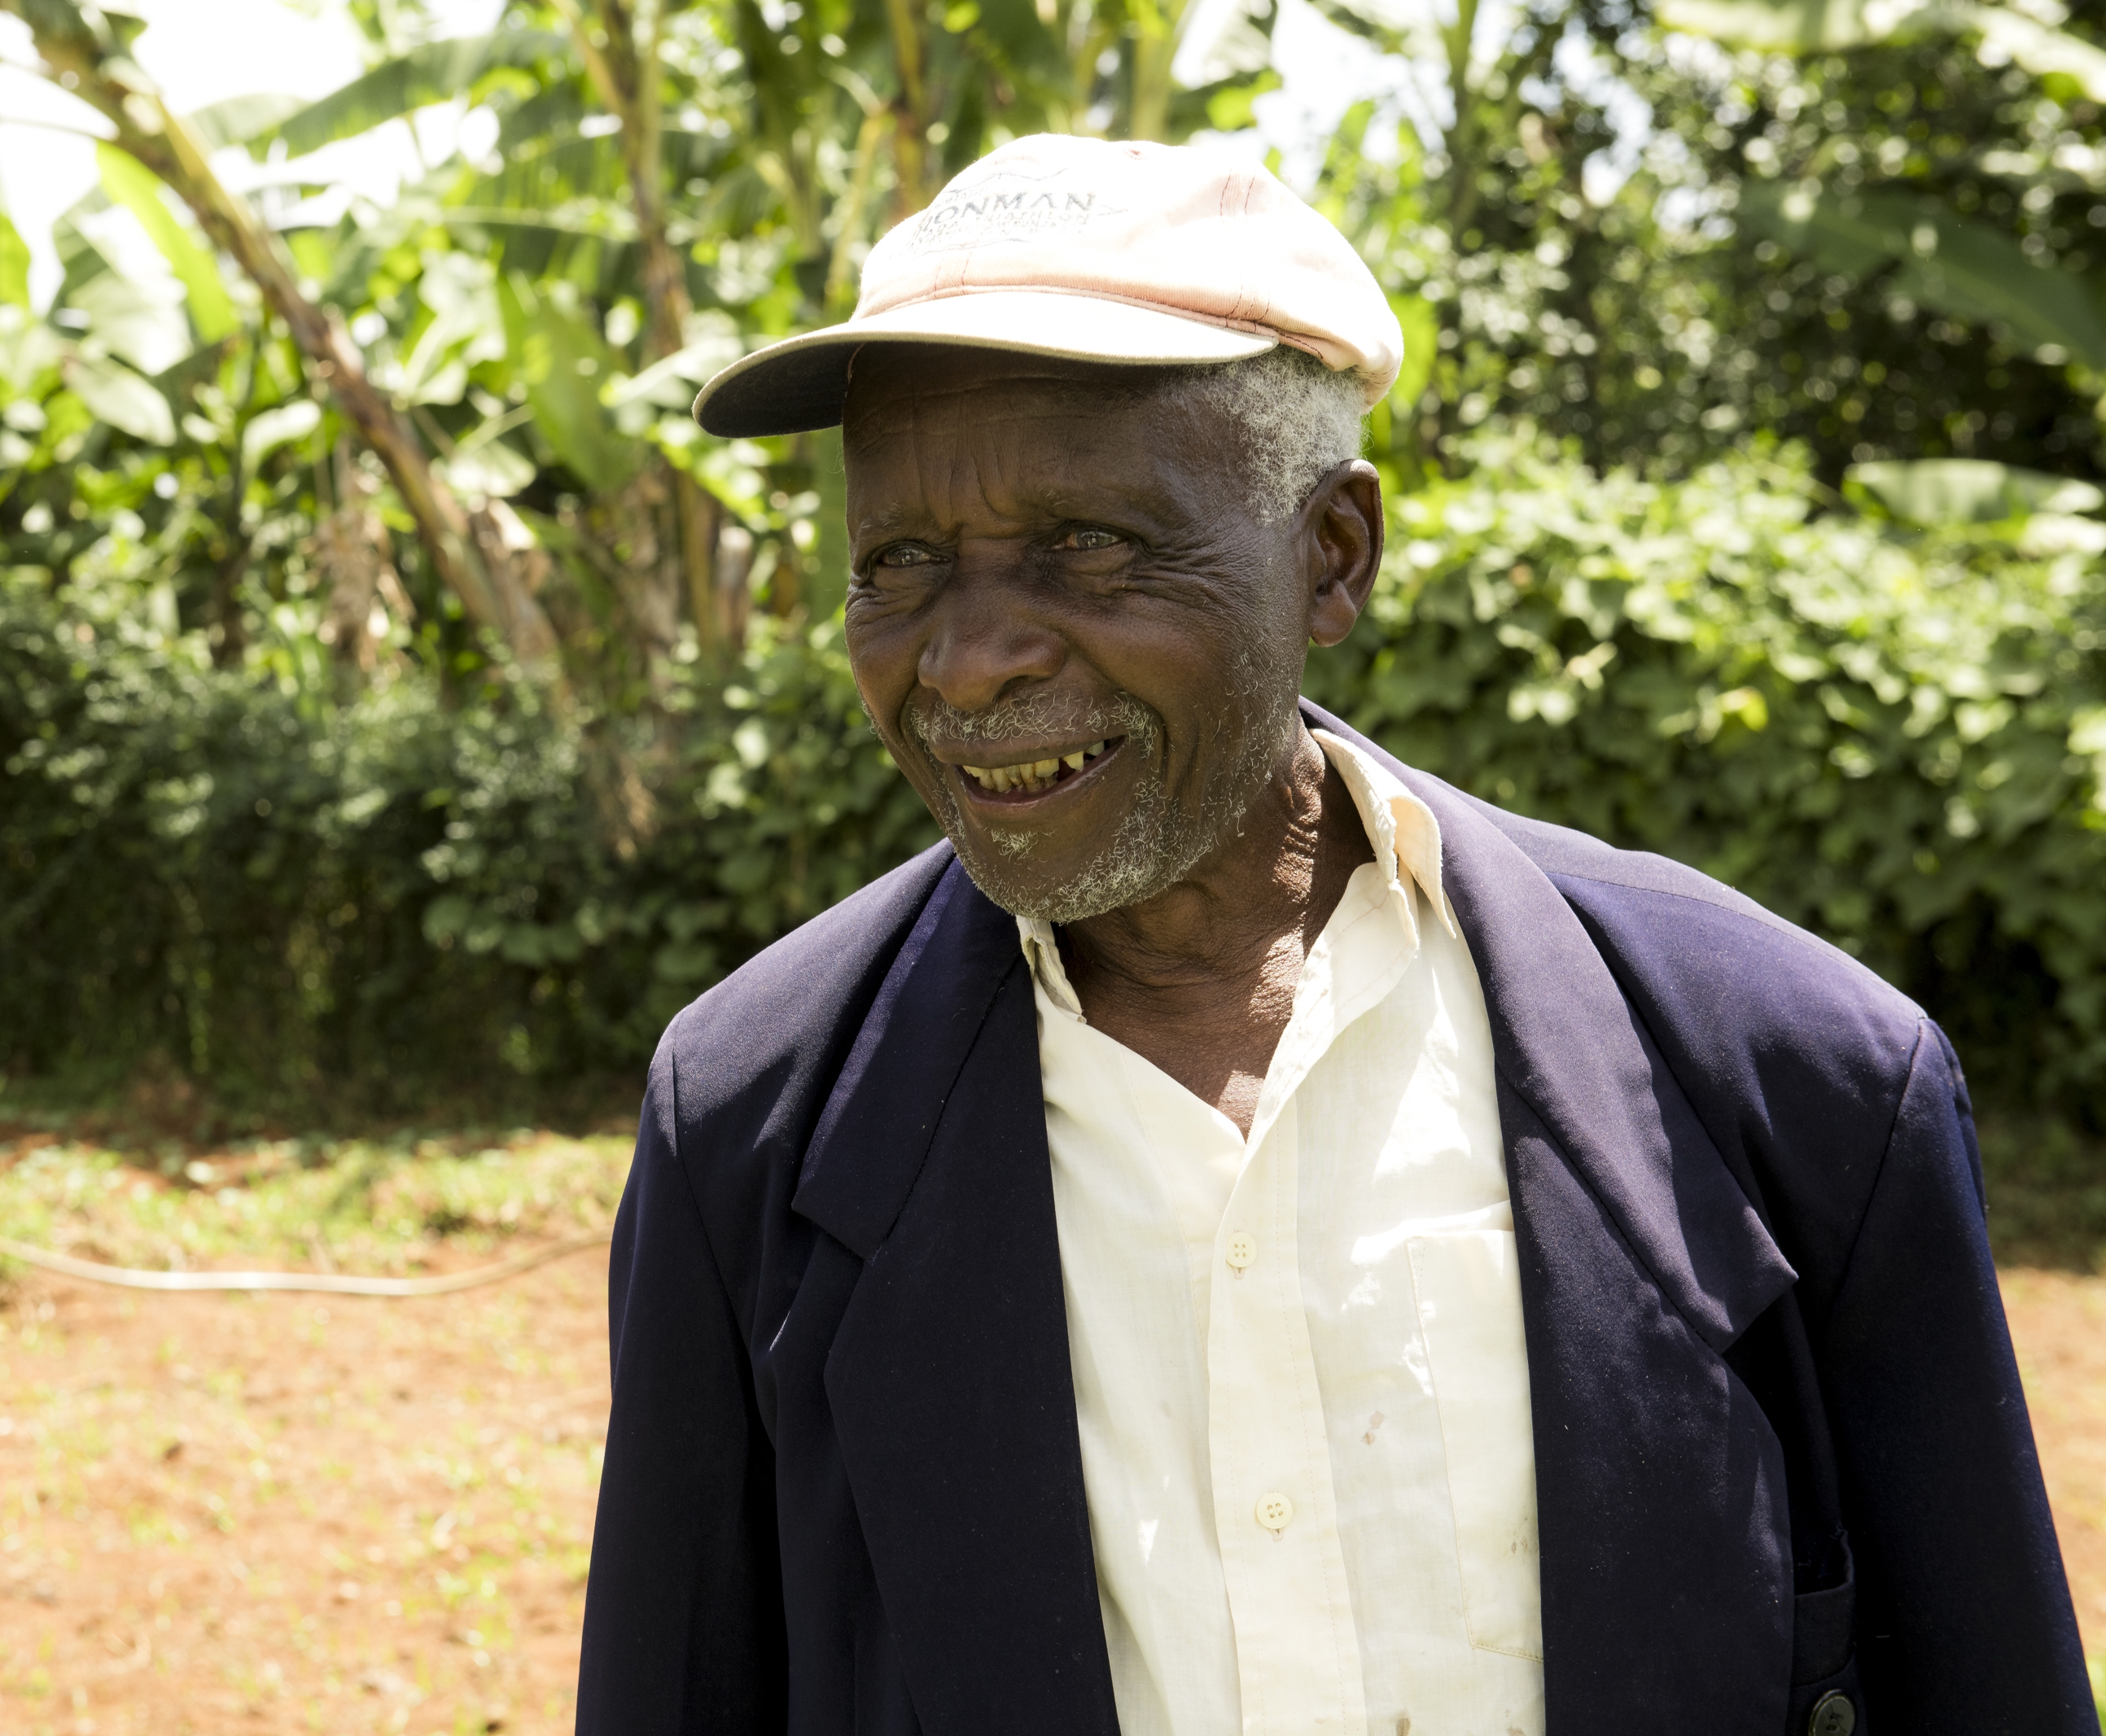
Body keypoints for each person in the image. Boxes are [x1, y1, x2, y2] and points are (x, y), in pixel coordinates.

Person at [573, 133, 2089, 1736]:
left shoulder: (1797, 1080)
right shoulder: (750, 1124)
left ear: (1332, 554)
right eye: (899, 564)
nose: (964, 660)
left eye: (1089, 542)